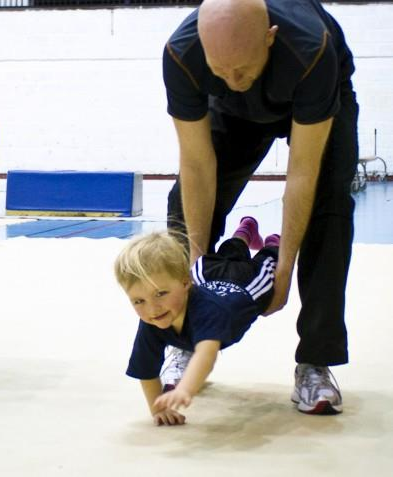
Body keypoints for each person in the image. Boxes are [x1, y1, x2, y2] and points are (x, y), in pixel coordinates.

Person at [163, 0, 356, 415]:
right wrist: (195, 264)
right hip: (233, 116)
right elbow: (197, 165)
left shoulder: (311, 51)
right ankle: (184, 342)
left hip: (317, 95)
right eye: (220, 70)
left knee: (331, 207)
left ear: (270, 37)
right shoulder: (182, 54)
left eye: (241, 71)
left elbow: (302, 174)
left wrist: (283, 273)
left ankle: (315, 363)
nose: (232, 80)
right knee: (181, 203)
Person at [115, 217, 280, 425]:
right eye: (139, 301)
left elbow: (206, 355)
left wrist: (185, 388)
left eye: (161, 293)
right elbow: (146, 369)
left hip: (246, 285)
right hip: (208, 276)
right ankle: (245, 231)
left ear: (186, 282)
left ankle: (273, 243)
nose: (152, 309)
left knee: (268, 264)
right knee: (227, 253)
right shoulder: (152, 320)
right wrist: (158, 409)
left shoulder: (207, 311)